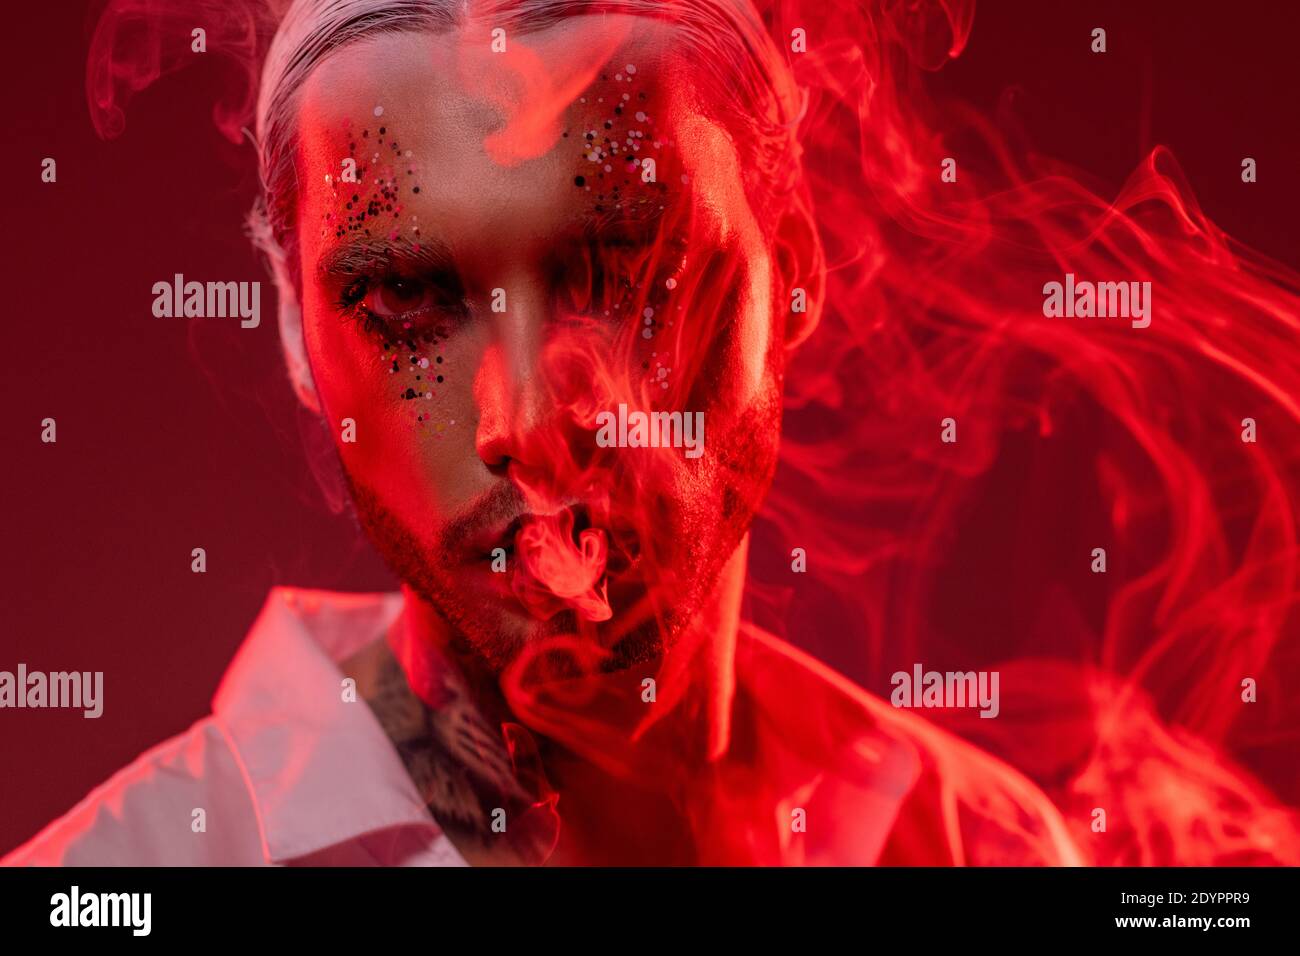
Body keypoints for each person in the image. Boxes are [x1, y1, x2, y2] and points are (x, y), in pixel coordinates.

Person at [5, 0, 1090, 866]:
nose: (528, 425)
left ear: (792, 274)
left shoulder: (978, 847)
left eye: (628, 273)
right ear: (295, 334)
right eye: (406, 304)